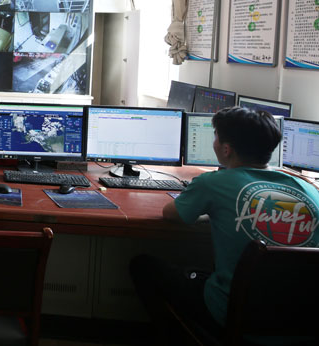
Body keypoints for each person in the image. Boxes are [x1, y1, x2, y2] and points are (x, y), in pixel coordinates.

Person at [129, 106, 319, 345]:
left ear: (226, 149)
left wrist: (211, 214)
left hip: (237, 317)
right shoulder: (309, 190)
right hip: (301, 322)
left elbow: (171, 214)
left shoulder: (214, 182)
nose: (214, 142)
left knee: (143, 266)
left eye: (216, 136)